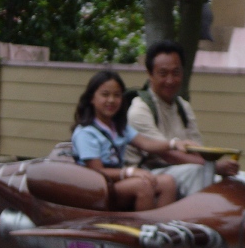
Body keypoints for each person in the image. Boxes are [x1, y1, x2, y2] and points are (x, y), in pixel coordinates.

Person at [125, 40, 239, 197]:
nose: (170, 80)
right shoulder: (139, 110)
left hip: (181, 169)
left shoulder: (183, 106)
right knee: (197, 173)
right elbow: (167, 154)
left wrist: (221, 167)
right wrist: (214, 167)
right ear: (150, 74)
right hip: (147, 173)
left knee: (240, 178)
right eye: (163, 74)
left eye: (176, 73)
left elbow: (197, 149)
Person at [71, 70, 191, 211]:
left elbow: (146, 144)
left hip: (116, 183)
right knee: (143, 185)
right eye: (105, 95)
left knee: (168, 182)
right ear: (92, 98)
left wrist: (174, 144)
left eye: (117, 95)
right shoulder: (86, 132)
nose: (111, 100)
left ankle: (163, 223)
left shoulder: (119, 127)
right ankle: (143, 224)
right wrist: (129, 172)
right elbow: (96, 171)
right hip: (97, 188)